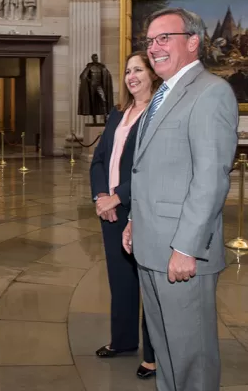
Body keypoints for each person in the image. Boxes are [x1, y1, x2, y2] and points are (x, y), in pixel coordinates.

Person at [123, 8, 238, 391]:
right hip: (151, 247)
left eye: (163, 38)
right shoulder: (164, 95)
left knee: (192, 358)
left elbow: (210, 178)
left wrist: (187, 247)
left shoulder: (211, 92)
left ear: (192, 41)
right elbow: (153, 172)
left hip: (181, 253)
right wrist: (135, 222)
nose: (153, 48)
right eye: (150, 40)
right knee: (168, 352)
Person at [90, 50, 159, 379]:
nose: (132, 76)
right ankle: (123, 340)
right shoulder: (118, 114)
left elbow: (152, 169)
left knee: (150, 283)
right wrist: (102, 196)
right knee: (121, 279)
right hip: (110, 209)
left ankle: (154, 354)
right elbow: (99, 159)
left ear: (153, 74)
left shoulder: (158, 114)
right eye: (128, 71)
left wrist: (118, 196)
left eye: (139, 70)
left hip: (142, 208)